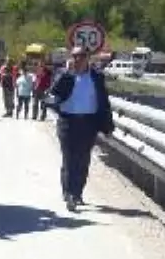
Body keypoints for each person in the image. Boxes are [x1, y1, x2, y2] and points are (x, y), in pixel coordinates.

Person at [44, 46, 115, 211]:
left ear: (87, 58)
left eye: (81, 57)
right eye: (75, 56)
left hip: (89, 123)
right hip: (68, 122)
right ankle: (68, 193)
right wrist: (67, 73)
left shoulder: (96, 77)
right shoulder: (64, 75)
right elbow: (54, 91)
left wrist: (108, 126)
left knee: (83, 159)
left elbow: (104, 102)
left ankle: (77, 193)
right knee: (69, 158)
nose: (78, 60)